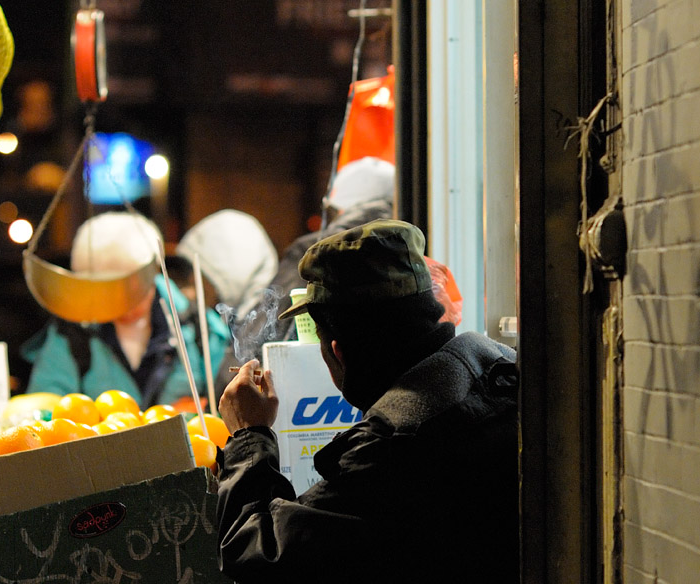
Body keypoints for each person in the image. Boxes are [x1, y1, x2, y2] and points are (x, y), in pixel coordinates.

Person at [215, 219, 520, 583]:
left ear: (337, 352)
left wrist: (249, 435)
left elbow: (259, 554)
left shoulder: (393, 448)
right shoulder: (504, 369)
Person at [211, 156, 395, 395]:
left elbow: (262, 334)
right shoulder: (414, 252)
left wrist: (224, 389)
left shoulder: (316, 253)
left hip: (310, 408)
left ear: (337, 209)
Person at [23, 211, 222, 409]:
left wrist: (196, 415)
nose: (121, 306)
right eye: (107, 295)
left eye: (131, 293)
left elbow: (228, 401)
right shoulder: (71, 333)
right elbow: (45, 411)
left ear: (152, 273)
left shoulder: (199, 326)